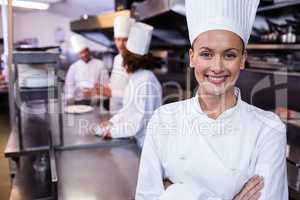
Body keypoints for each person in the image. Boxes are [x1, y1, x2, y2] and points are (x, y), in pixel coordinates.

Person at [135, 0, 288, 200]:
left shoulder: (268, 129)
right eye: (206, 54)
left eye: (229, 55)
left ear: (242, 59)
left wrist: (174, 191)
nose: (217, 67)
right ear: (192, 57)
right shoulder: (163, 119)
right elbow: (146, 197)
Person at [99, 22, 162, 148]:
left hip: (146, 145)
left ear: (131, 62)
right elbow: (128, 110)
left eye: (125, 62)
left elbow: (141, 119)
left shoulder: (146, 80)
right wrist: (112, 122)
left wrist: (113, 132)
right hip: (135, 141)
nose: (123, 66)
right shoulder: (134, 78)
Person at [96, 15, 134, 114]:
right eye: (118, 39)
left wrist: (111, 92)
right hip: (114, 110)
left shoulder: (134, 62)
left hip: (127, 112)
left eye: (125, 40)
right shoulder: (117, 58)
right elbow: (117, 82)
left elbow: (135, 93)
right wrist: (106, 88)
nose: (121, 44)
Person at [64, 35, 109, 105]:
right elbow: (69, 86)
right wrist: (70, 99)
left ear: (89, 50)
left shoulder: (100, 64)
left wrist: (95, 93)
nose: (84, 55)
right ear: (78, 54)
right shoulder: (73, 67)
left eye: (85, 51)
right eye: (81, 52)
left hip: (96, 101)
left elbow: (105, 84)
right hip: (79, 102)